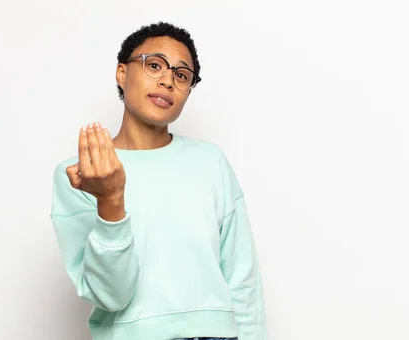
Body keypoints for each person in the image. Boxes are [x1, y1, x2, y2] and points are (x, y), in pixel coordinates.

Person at [50, 22, 267, 340]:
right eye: (154, 65)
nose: (168, 80)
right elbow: (112, 295)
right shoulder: (82, 173)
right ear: (122, 73)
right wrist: (110, 199)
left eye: (182, 75)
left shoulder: (210, 162)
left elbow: (242, 278)